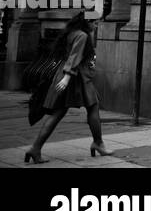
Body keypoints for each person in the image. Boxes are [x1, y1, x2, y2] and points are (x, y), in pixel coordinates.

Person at [25, 11, 110, 163]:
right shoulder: (82, 36)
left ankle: (35, 148)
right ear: (87, 22)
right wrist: (67, 77)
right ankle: (98, 143)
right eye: (95, 22)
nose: (96, 26)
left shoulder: (71, 32)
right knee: (93, 106)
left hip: (68, 75)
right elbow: (74, 57)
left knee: (58, 113)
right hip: (76, 77)